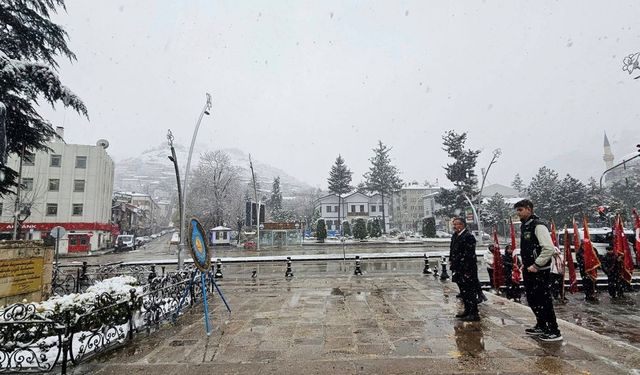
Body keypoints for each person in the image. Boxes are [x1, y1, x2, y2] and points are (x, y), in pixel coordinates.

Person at [514, 199, 562, 342]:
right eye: (517, 210)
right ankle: (541, 325)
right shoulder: (526, 226)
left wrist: (536, 265)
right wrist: (525, 263)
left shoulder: (538, 226)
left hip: (539, 270)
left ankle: (554, 330)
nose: (518, 213)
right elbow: (528, 248)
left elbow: (548, 248)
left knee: (543, 300)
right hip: (529, 269)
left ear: (529, 209)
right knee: (532, 299)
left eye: (520, 210)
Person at [449, 217, 481, 322]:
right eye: (454, 224)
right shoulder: (455, 236)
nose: (454, 226)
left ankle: (474, 313)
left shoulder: (468, 236)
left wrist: (464, 266)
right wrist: (451, 261)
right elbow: (452, 250)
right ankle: (467, 310)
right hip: (457, 268)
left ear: (462, 225)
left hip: (467, 269)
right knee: (463, 291)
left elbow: (469, 254)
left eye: (456, 224)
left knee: (470, 291)